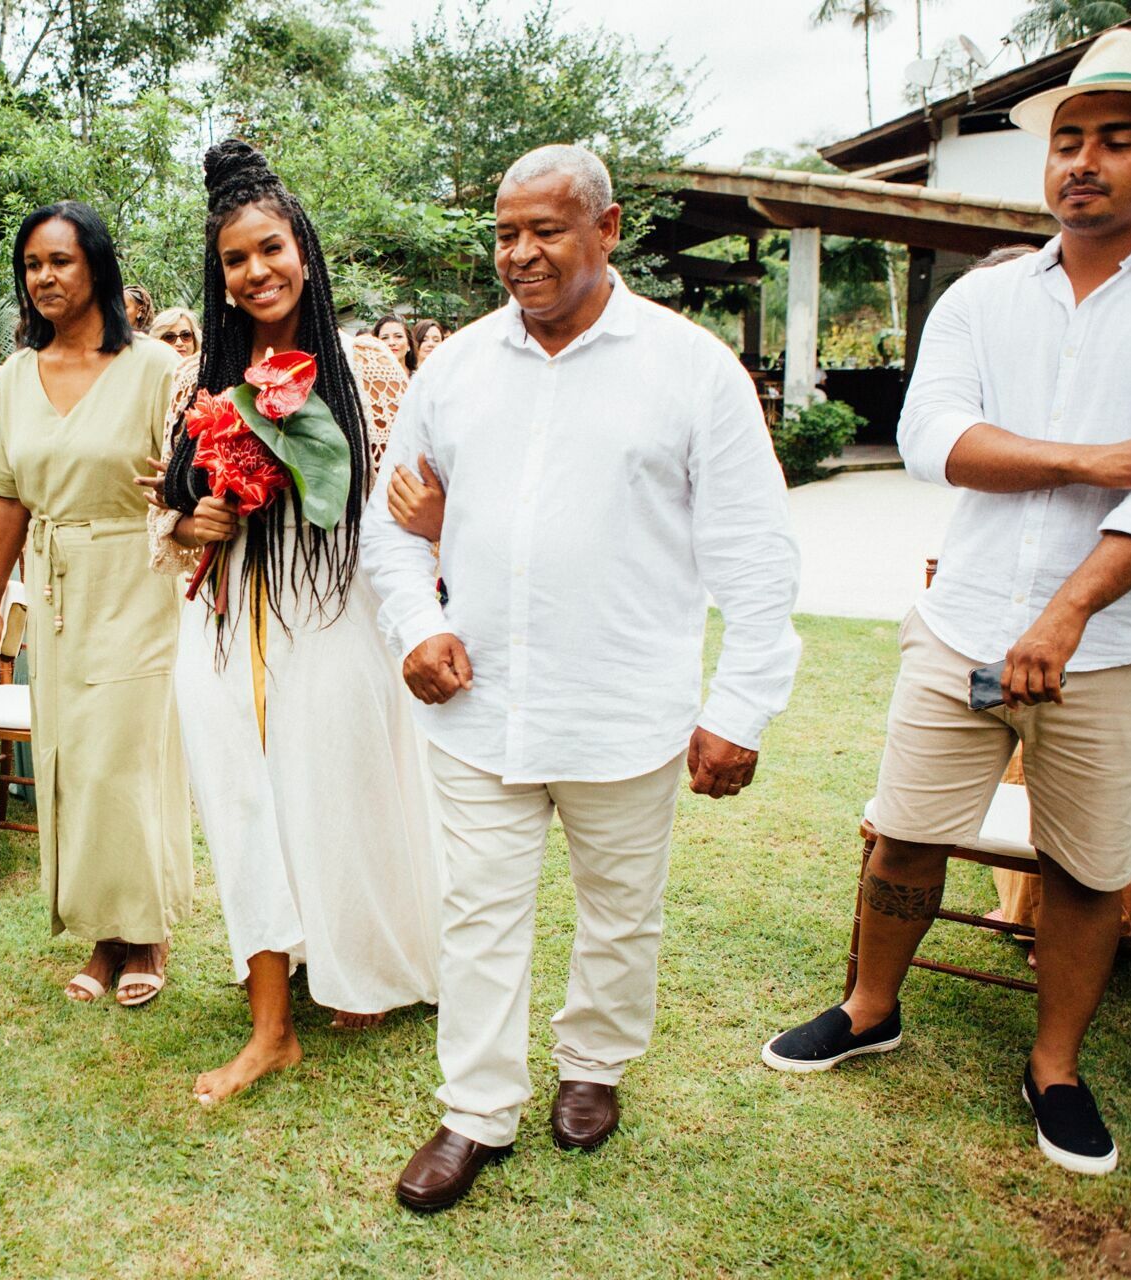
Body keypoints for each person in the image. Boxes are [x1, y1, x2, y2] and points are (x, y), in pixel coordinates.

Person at [761, 31, 1131, 1178]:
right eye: (1068, 140)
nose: (1083, 161)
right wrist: (1107, 458)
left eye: (1116, 138)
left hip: (1117, 644)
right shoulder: (987, 296)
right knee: (905, 827)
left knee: (1092, 864)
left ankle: (1054, 1064)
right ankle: (869, 1003)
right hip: (964, 624)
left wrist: (1068, 616)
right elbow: (936, 441)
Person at [362, 144, 802, 1212]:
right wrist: (418, 625)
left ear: (607, 232)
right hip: (480, 704)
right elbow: (392, 526)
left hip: (626, 704)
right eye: (507, 233)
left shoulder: (692, 369)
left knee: (619, 908)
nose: (521, 254)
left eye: (546, 230)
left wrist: (738, 706)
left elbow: (755, 551)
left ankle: (595, 1063)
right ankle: (475, 1112)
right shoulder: (455, 366)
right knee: (479, 912)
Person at [147, 138, 437, 1103]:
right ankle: (269, 1025)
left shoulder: (362, 369)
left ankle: (363, 959)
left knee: (338, 788)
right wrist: (196, 516)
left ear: (302, 251)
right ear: (219, 279)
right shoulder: (209, 383)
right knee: (239, 797)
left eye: (270, 249)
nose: (256, 271)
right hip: (227, 626)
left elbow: (407, 505)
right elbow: (169, 521)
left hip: (333, 616)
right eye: (235, 259)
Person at [0, 202, 191, 1007]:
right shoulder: (14, 375)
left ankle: (148, 932)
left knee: (123, 753)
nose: (44, 278)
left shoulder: (152, 369)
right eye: (32, 265)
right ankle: (104, 935)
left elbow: (188, 483)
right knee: (70, 756)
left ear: (96, 265)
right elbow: (4, 494)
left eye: (59, 261)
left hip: (137, 570)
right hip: (56, 579)